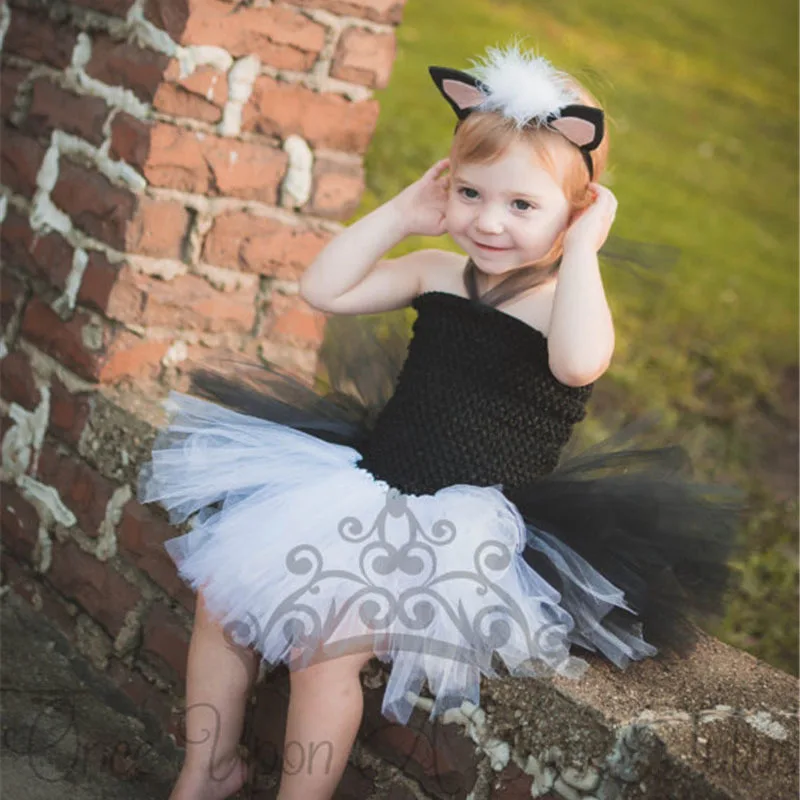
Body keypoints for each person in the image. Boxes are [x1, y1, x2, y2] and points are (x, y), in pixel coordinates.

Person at [140, 44, 742, 800]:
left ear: (578, 210)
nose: (489, 222)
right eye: (471, 194)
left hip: (466, 523)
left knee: (328, 643)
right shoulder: (436, 270)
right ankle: (208, 769)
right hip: (364, 483)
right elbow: (323, 288)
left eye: (522, 206)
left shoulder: (564, 303)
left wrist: (585, 250)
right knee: (223, 595)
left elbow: (582, 363)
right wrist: (405, 212)